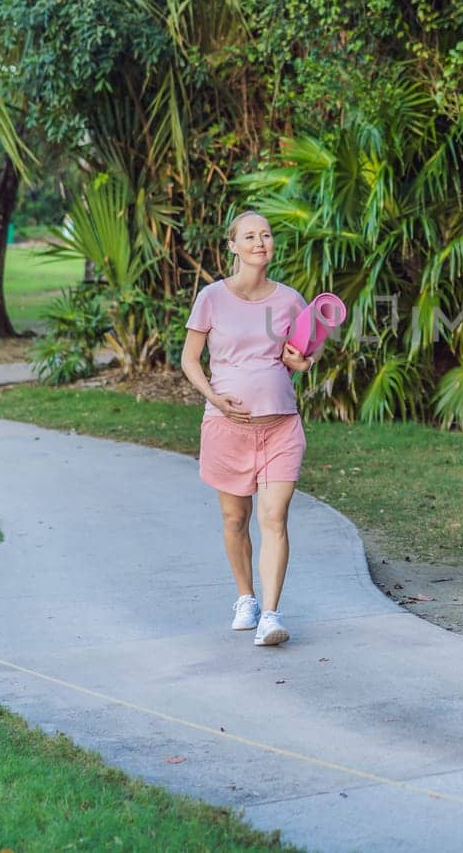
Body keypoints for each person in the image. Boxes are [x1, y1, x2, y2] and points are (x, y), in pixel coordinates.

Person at [180, 210, 320, 646]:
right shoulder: (211, 297)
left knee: (274, 517)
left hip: (280, 426)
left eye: (266, 235)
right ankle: (246, 598)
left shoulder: (291, 300)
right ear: (233, 246)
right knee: (234, 517)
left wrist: (302, 362)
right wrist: (213, 396)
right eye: (250, 236)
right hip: (227, 427)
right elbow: (189, 359)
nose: (260, 242)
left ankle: (272, 615)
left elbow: (298, 357)